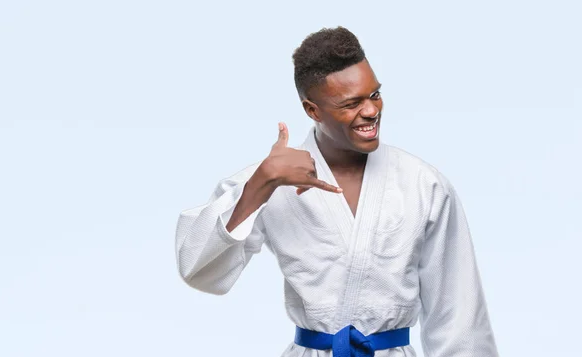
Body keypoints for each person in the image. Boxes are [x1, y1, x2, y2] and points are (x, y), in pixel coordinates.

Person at [175, 26, 499, 357]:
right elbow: (198, 270)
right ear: (312, 110)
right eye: (351, 103)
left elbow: (459, 317)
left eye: (374, 94)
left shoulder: (423, 185)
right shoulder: (272, 180)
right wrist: (260, 184)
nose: (372, 111)